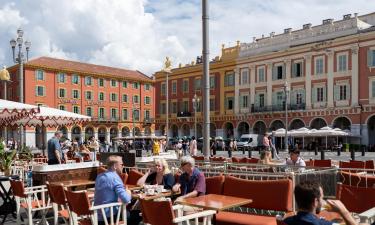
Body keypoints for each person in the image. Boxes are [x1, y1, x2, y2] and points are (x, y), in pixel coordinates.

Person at [284, 181, 359, 225]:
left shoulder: (287, 221)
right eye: (322, 198)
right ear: (315, 202)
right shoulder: (321, 224)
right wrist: (344, 211)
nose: (323, 201)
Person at [94, 155, 134, 225]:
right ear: (115, 166)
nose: (123, 166)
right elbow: (126, 199)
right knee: (134, 216)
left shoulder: (99, 176)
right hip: (109, 217)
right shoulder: (115, 178)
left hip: (97, 215)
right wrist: (128, 192)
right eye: (121, 164)